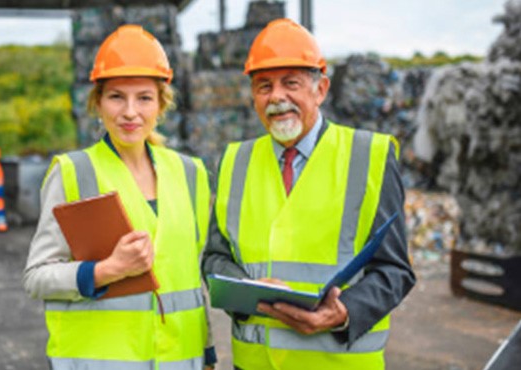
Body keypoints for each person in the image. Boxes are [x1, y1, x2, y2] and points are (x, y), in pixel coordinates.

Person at [202, 19, 416, 370]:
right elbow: (214, 258)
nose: (276, 98)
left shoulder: (369, 156)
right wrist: (246, 289)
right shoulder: (234, 162)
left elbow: (394, 269)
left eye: (291, 83)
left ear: (321, 89)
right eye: (263, 86)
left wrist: (344, 312)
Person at [23, 25, 217, 370]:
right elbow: (37, 277)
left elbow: (190, 277)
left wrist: (208, 353)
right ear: (98, 102)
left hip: (181, 360)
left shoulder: (190, 174)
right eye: (116, 97)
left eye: (144, 97)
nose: (130, 112)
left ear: (161, 103)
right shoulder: (72, 172)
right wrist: (106, 271)